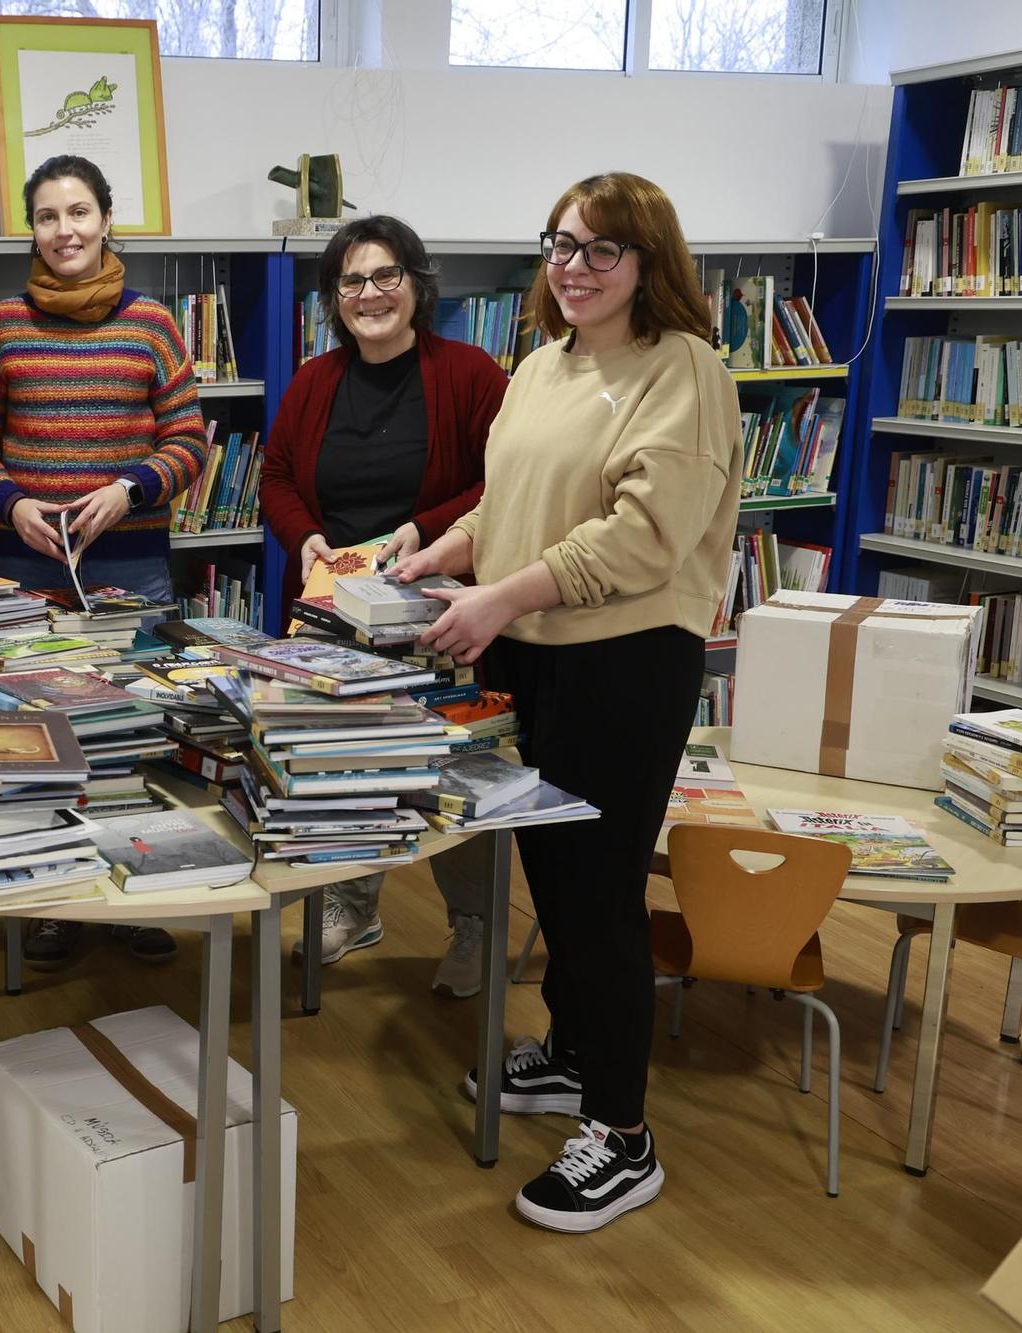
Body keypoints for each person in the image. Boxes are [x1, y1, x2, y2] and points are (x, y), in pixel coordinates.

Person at [393, 172, 742, 1233]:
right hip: (536, 652)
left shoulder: (682, 369)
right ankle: (572, 1052)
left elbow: (640, 536)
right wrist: (437, 553)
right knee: (549, 872)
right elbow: (510, 503)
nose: (571, 266)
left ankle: (621, 1137)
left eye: (599, 250)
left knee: (596, 896)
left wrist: (495, 595)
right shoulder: (543, 364)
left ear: (649, 262)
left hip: (624, 660)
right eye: (557, 244)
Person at [0, 153, 206, 970]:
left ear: (106, 219)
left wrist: (131, 489)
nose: (66, 230)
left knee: (128, 738)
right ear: (32, 228)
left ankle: (133, 884)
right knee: (31, 741)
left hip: (127, 571)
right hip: (19, 574)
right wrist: (11, 503)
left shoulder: (153, 325)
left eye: (80, 212)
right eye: (50, 215)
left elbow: (189, 440)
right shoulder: (1, 325)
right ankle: (50, 899)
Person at [258, 213, 508, 996]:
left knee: (456, 764)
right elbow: (277, 476)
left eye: (386, 275)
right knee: (344, 763)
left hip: (438, 609)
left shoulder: (469, 374)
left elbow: (502, 483)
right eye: (352, 281)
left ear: (416, 282)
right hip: (338, 612)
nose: (371, 294)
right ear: (335, 298)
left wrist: (422, 529)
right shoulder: (314, 380)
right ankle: (351, 899)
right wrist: (304, 539)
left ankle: (473, 922)